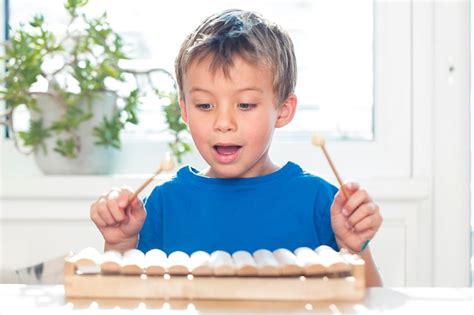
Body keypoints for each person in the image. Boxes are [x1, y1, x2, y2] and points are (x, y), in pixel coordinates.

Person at [90, 9, 383, 286]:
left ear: (282, 110)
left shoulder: (321, 202)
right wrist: (119, 245)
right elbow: (126, 302)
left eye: (245, 105)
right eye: (205, 105)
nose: (224, 122)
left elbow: (370, 303)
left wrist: (355, 249)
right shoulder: (164, 204)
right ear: (185, 111)